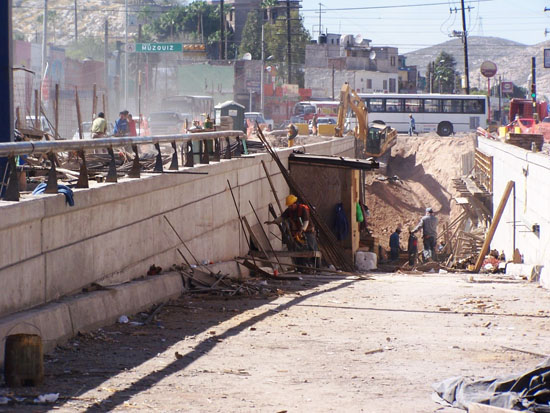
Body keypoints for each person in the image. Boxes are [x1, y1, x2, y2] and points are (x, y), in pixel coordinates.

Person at [266, 194, 318, 271]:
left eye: (290, 205)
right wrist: (273, 222)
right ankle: (301, 267)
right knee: (298, 249)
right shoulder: (289, 211)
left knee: (311, 248)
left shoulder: (303, 209)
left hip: (308, 231)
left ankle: (316, 267)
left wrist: (302, 230)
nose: (289, 207)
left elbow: (306, 221)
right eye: (289, 206)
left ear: (295, 203)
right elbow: (282, 218)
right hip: (298, 233)